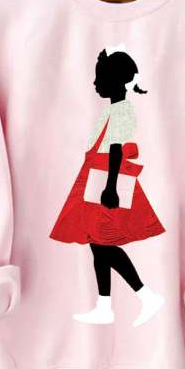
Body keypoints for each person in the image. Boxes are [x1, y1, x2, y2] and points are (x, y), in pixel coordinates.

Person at [50, 43, 165, 327]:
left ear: (115, 81)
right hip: (96, 178)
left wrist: (110, 187)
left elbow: (115, 149)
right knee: (97, 245)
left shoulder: (122, 112)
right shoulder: (113, 110)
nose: (95, 83)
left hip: (105, 181)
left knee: (104, 244)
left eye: (100, 78)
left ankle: (145, 296)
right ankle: (105, 305)